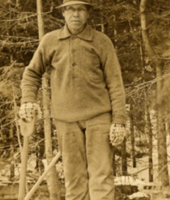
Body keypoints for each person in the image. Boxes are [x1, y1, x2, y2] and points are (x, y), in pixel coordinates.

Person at [19, 0, 127, 199]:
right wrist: (28, 99)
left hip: (99, 117)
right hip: (65, 120)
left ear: (87, 13)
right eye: (70, 10)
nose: (75, 14)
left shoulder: (102, 41)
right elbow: (32, 73)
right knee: (73, 178)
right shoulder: (51, 41)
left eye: (80, 10)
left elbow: (115, 83)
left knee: (101, 176)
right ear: (63, 14)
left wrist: (119, 120)